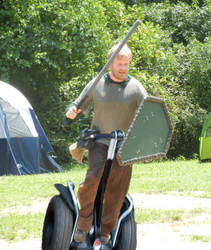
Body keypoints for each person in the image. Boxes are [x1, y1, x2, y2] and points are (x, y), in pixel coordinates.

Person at [66, 43, 147, 244]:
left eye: (126, 64)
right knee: (92, 180)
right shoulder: (97, 84)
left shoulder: (136, 88)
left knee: (117, 187)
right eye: (119, 64)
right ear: (110, 63)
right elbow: (78, 104)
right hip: (100, 141)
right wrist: (71, 111)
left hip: (124, 145)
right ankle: (84, 222)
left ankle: (106, 229)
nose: (123, 68)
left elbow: (149, 114)